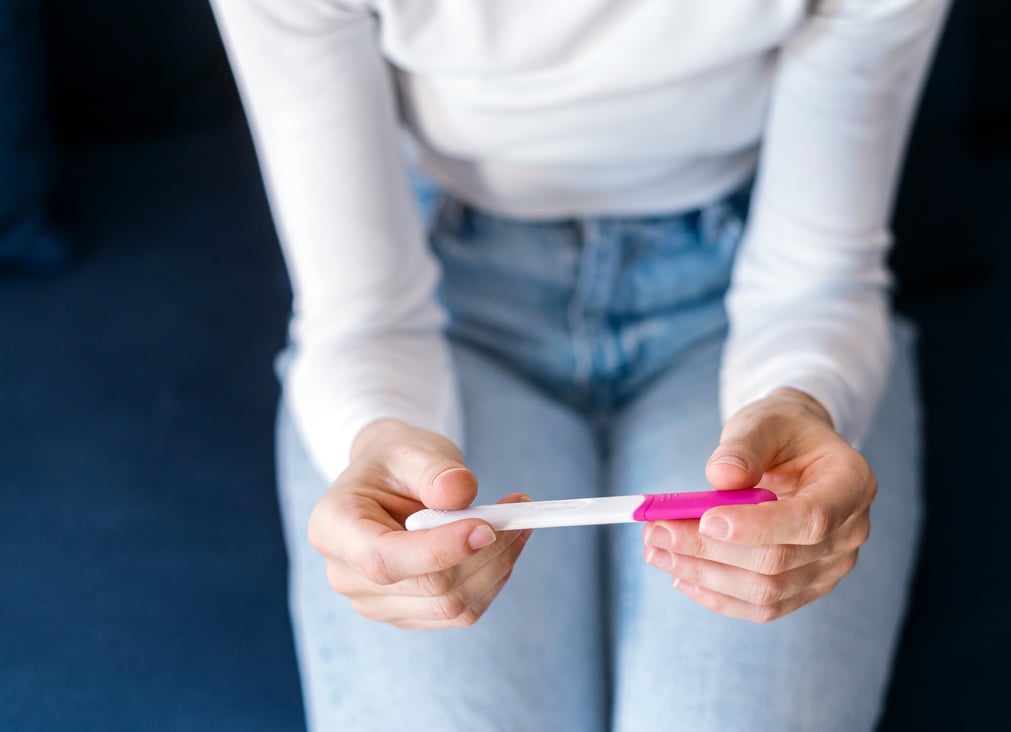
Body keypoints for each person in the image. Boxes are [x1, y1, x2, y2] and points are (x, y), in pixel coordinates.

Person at [212, 1, 947, 730]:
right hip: (443, 299)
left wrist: (807, 400)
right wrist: (373, 436)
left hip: (748, 298)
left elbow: (816, 281)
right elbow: (366, 317)